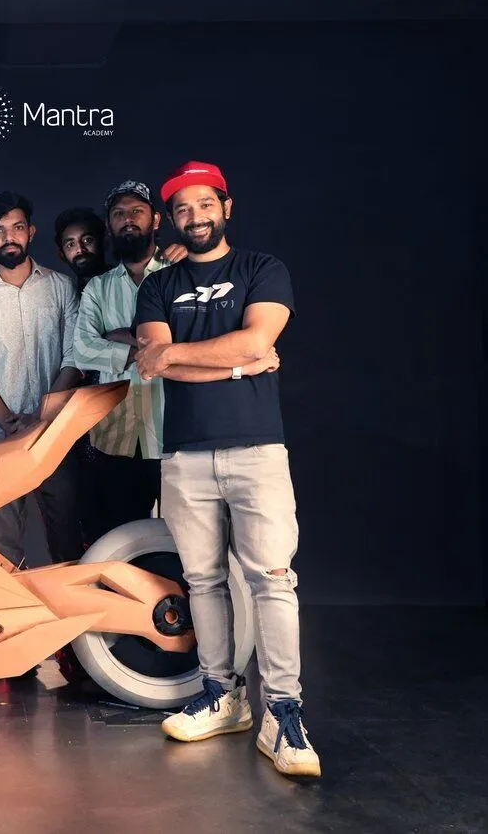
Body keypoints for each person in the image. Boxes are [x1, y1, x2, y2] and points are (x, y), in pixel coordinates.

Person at [135, 161, 319, 778]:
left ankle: (284, 713)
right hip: (185, 453)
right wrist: (239, 364)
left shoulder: (262, 269)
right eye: (182, 209)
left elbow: (255, 339)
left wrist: (194, 353)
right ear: (171, 218)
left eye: (204, 205)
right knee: (203, 580)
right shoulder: (159, 286)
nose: (195, 217)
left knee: (273, 580)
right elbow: (155, 362)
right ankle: (223, 695)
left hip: (256, 450)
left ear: (226, 208)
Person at [0, 191, 83, 567]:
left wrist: (42, 418)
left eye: (16, 228)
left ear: (31, 232)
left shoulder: (60, 286)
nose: (8, 237)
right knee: (2, 546)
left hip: (54, 434)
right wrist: (11, 423)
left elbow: (74, 358)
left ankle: (69, 607)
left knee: (67, 537)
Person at [70, 180, 171, 542]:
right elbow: (82, 349)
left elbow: (190, 341)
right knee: (121, 540)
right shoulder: (99, 287)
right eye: (118, 213)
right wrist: (152, 350)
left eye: (136, 211)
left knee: (185, 540)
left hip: (174, 430)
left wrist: (117, 337)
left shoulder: (179, 273)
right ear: (109, 225)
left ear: (155, 219)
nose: (128, 219)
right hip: (116, 436)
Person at [53, 206, 109, 293]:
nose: (80, 249)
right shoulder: (68, 296)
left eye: (87, 240)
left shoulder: (126, 283)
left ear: (104, 242)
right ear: (62, 256)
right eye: (71, 244)